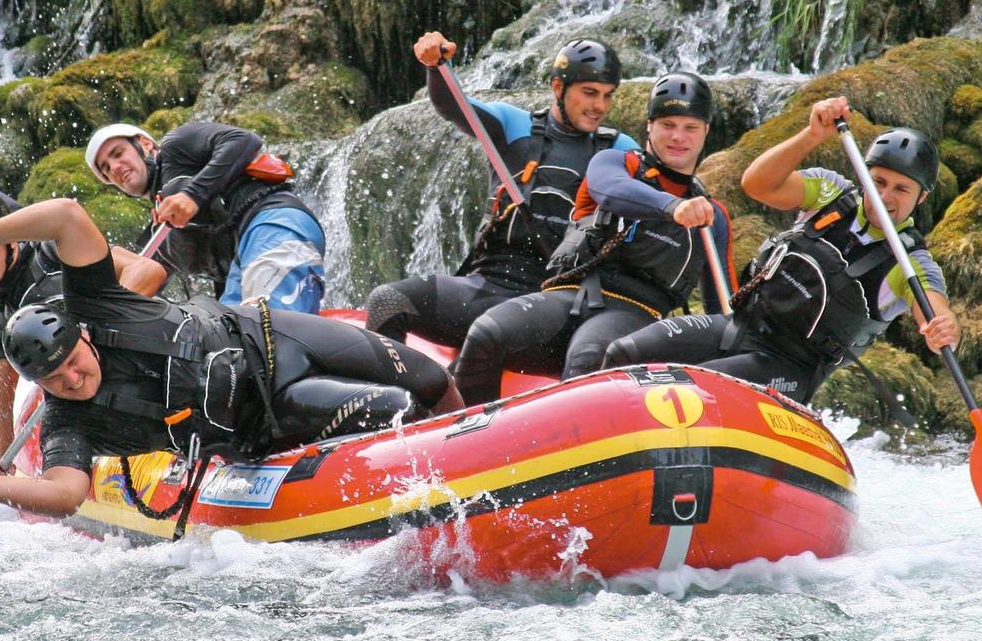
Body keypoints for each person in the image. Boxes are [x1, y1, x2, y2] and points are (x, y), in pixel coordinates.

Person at [0, 198, 463, 518]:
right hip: (261, 415)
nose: (72, 378)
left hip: (274, 336)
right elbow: (65, 494)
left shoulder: (95, 300)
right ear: (40, 387)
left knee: (430, 376)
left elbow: (68, 216)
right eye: (55, 379)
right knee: (396, 407)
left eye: (72, 360)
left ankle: (476, 434)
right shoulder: (67, 423)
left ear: (84, 337)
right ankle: (458, 502)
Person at [602, 96, 959, 403]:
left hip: (790, 367)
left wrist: (944, 328)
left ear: (922, 197)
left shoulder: (911, 262)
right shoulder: (831, 193)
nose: (884, 197)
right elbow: (756, 184)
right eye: (877, 181)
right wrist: (812, 136)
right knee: (623, 353)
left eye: (901, 189)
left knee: (686, 389)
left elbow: (934, 312)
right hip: (738, 326)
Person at [453, 71, 736, 405]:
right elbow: (611, 191)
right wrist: (672, 207)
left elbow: (723, 313)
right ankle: (465, 436)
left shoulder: (712, 217)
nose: (678, 137)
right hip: (567, 296)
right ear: (649, 126)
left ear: (705, 132)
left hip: (635, 315)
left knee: (588, 356)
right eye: (667, 125)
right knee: (487, 332)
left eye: (690, 128)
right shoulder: (614, 162)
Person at [364, 31, 640, 349]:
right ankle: (388, 397)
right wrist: (437, 66)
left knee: (493, 332)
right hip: (491, 284)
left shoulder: (621, 150)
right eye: (590, 93)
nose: (599, 106)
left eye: (608, 95)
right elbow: (453, 105)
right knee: (388, 301)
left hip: (561, 301)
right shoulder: (514, 125)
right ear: (557, 87)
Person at [0, 185, 165, 474]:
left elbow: (148, 271)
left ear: (11, 239)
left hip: (153, 359)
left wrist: (96, 327)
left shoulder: (54, 251)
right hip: (100, 399)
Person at [84, 120, 325, 313]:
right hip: (239, 264)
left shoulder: (177, 145)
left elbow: (244, 140)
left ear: (145, 143)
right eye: (106, 168)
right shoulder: (161, 231)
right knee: (232, 343)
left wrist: (193, 195)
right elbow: (145, 275)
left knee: (267, 330)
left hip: (272, 222)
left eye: (118, 153)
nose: (114, 167)